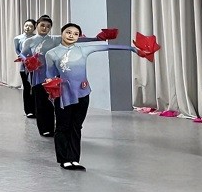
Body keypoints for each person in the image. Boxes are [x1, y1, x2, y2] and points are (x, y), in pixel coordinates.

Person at [44, 23, 140, 170]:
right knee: (63, 127)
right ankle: (64, 159)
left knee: (76, 126)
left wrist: (132, 49)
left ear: (79, 36)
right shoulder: (51, 54)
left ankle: (74, 159)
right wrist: (52, 89)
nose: (71, 35)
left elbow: (108, 47)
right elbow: (49, 75)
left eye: (75, 34)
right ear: (62, 33)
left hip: (83, 93)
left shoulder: (83, 49)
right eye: (68, 32)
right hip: (64, 95)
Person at [20, 15, 98, 137]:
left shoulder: (55, 39)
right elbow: (23, 54)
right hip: (39, 76)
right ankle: (45, 128)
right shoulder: (29, 41)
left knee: (54, 103)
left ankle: (59, 127)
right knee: (41, 103)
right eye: (42, 25)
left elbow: (79, 39)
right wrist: (28, 61)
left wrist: (97, 38)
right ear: (37, 26)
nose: (45, 28)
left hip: (54, 77)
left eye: (48, 26)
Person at [13, 18, 37, 118]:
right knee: (27, 88)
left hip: (36, 66)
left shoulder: (37, 38)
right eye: (26, 25)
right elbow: (18, 52)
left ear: (34, 28)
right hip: (25, 66)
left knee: (35, 88)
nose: (27, 28)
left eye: (30, 26)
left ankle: (36, 109)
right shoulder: (17, 38)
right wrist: (26, 60)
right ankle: (28, 110)